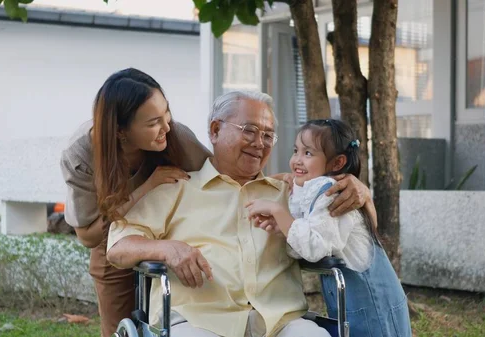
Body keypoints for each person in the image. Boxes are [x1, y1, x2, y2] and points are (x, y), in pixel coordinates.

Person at [106, 91, 373, 337]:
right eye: (250, 131)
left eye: (268, 135)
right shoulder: (175, 188)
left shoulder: (291, 194)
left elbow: (346, 228)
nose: (259, 143)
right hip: (198, 322)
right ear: (215, 130)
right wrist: (167, 249)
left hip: (279, 323)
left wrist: (360, 190)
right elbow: (118, 247)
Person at [60, 68, 211, 337]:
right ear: (121, 131)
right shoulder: (82, 154)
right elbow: (88, 235)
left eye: (167, 114)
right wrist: (145, 188)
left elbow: (219, 179)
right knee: (120, 328)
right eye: (153, 122)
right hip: (114, 243)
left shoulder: (175, 136)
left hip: (175, 234)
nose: (166, 127)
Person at [246, 119, 412, 337]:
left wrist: (279, 213)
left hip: (375, 303)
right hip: (354, 302)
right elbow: (304, 243)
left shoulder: (331, 193)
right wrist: (282, 226)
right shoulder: (311, 191)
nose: (297, 159)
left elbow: (314, 247)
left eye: (308, 153)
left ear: (337, 163)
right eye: (296, 150)